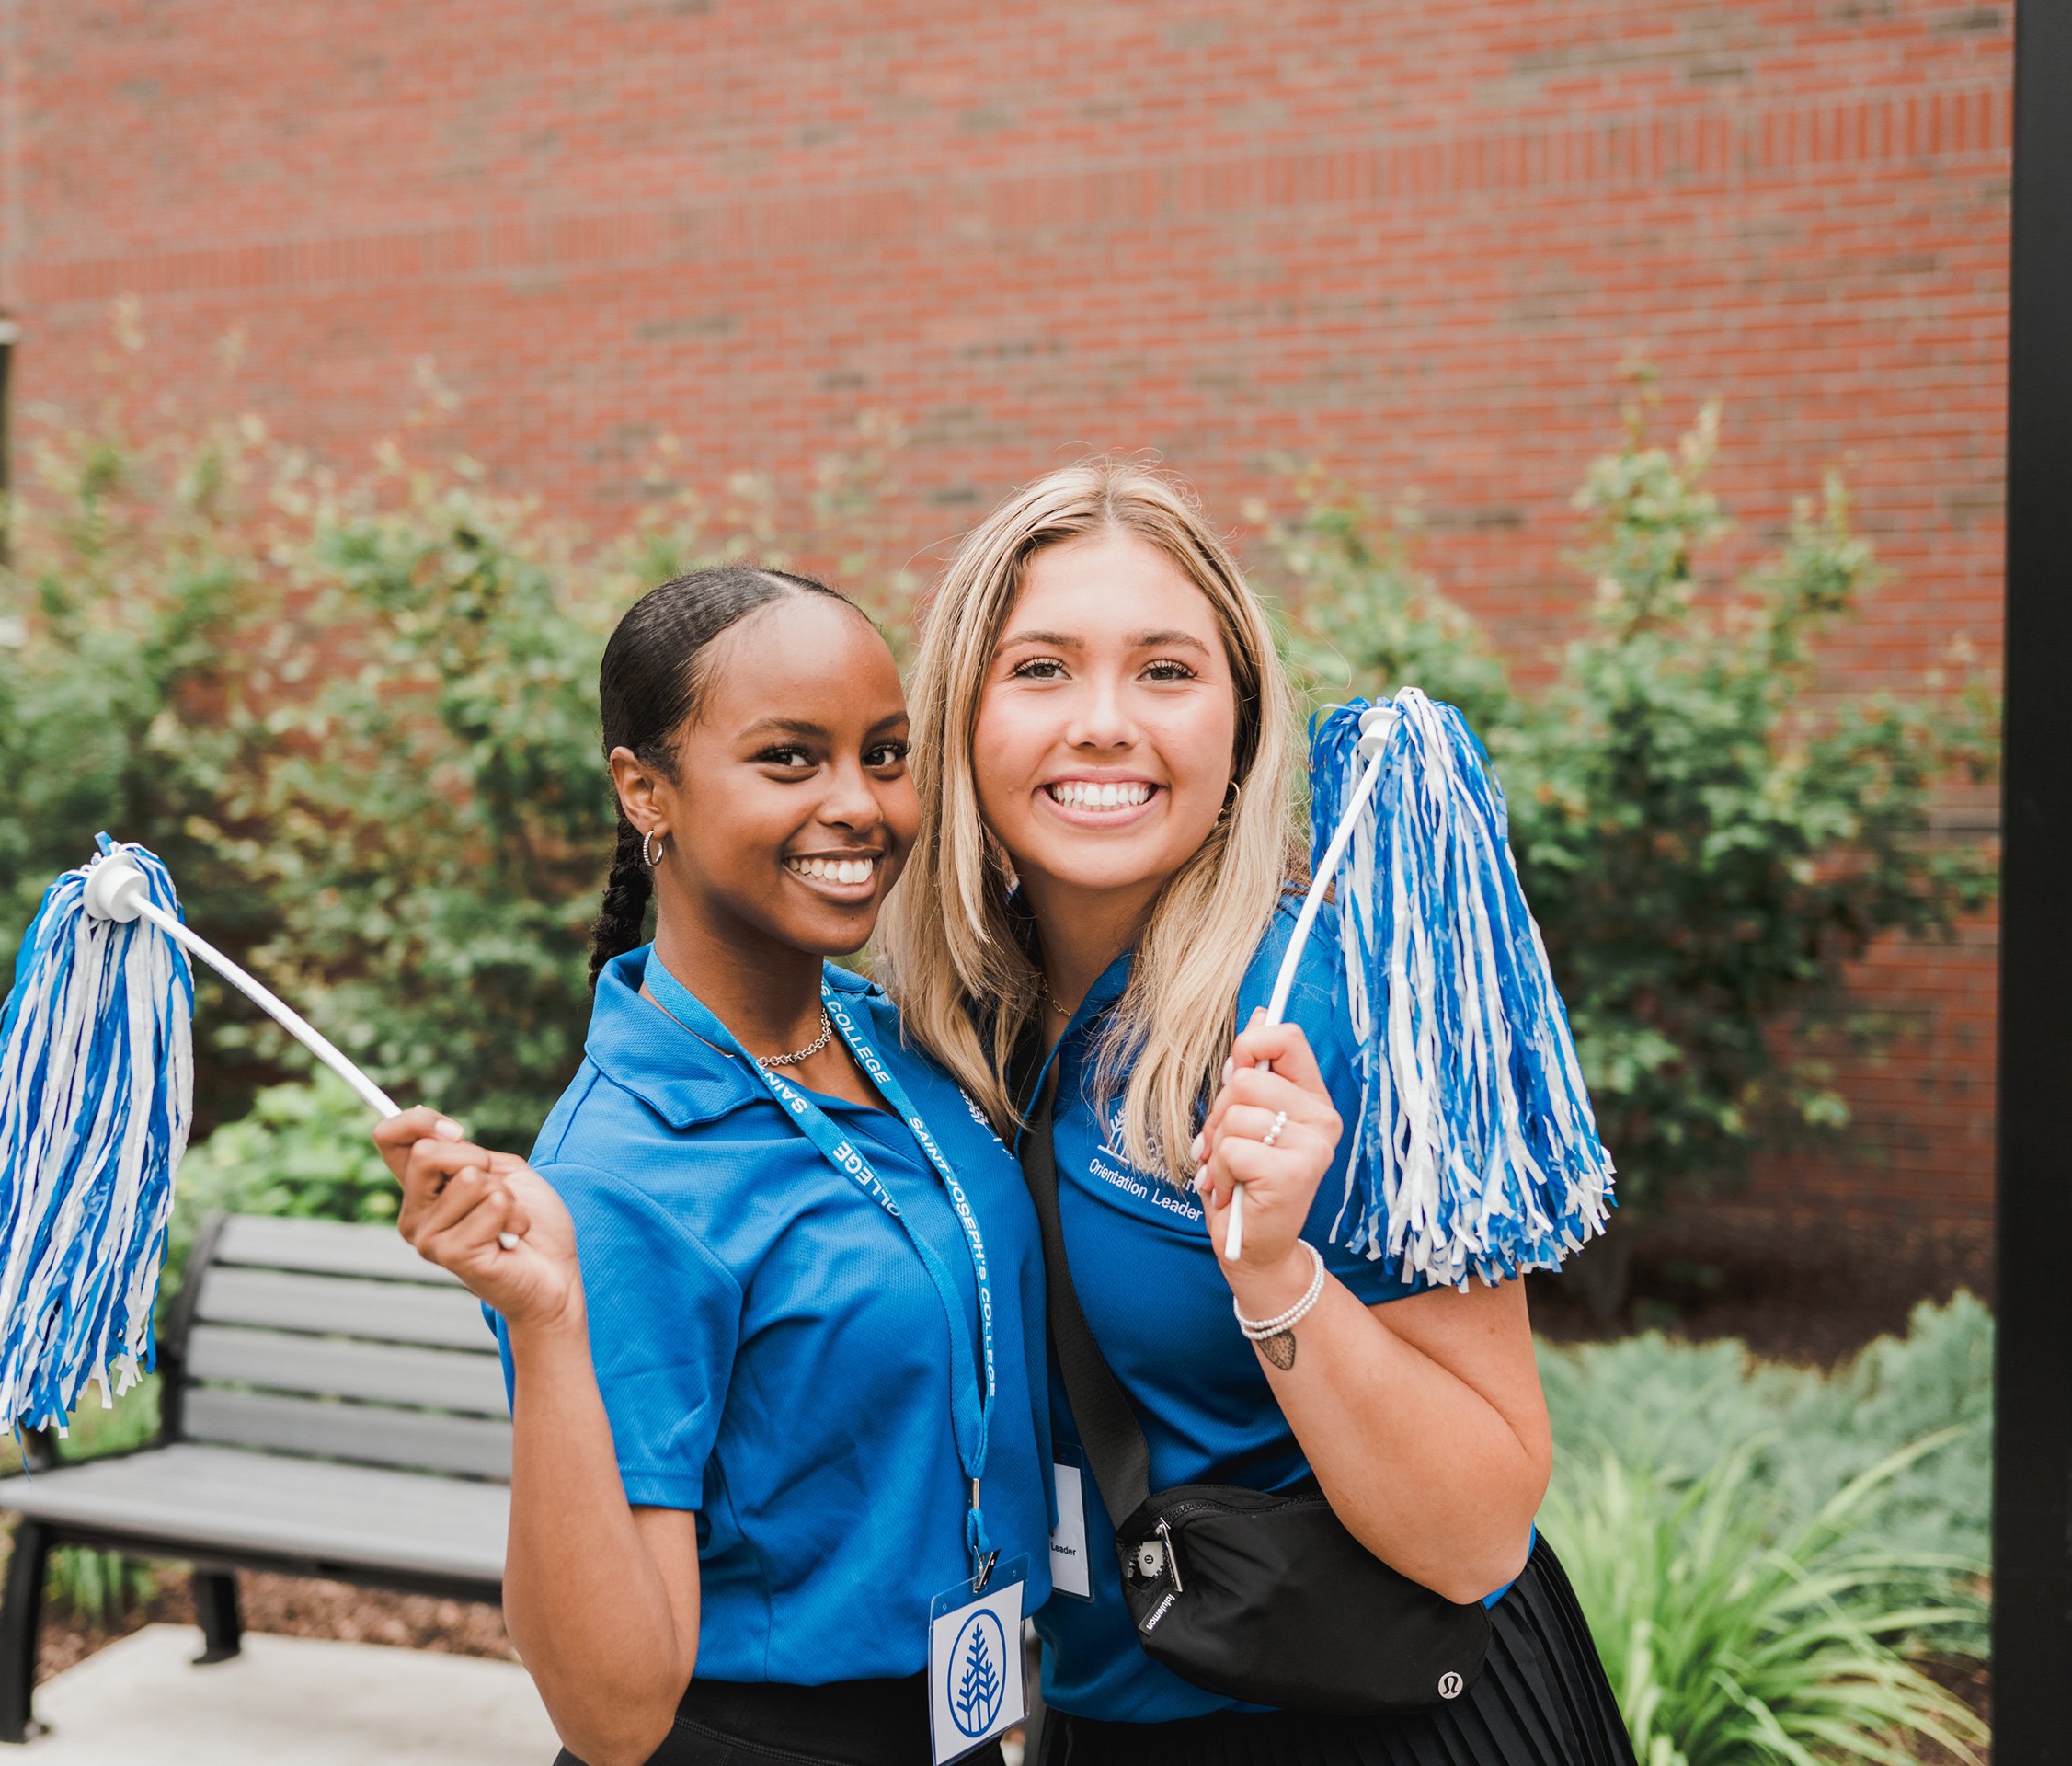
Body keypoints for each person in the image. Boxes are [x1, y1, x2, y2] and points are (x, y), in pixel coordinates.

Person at [881, 464, 1633, 1764]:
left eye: (1166, 671)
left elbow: (1477, 1534)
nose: (1104, 722)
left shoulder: (1322, 1012)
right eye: (1041, 669)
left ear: (1239, 714)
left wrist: (1278, 1276)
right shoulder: (949, 1024)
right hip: (1102, 1712)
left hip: (1367, 1718)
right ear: (960, 711)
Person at [373, 567, 1052, 1766]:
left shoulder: (900, 1041)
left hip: (961, 1715)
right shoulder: (620, 1179)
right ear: (647, 790)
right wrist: (546, 1322)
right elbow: (615, 1712)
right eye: (790, 759)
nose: (861, 805)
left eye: (884, 755)